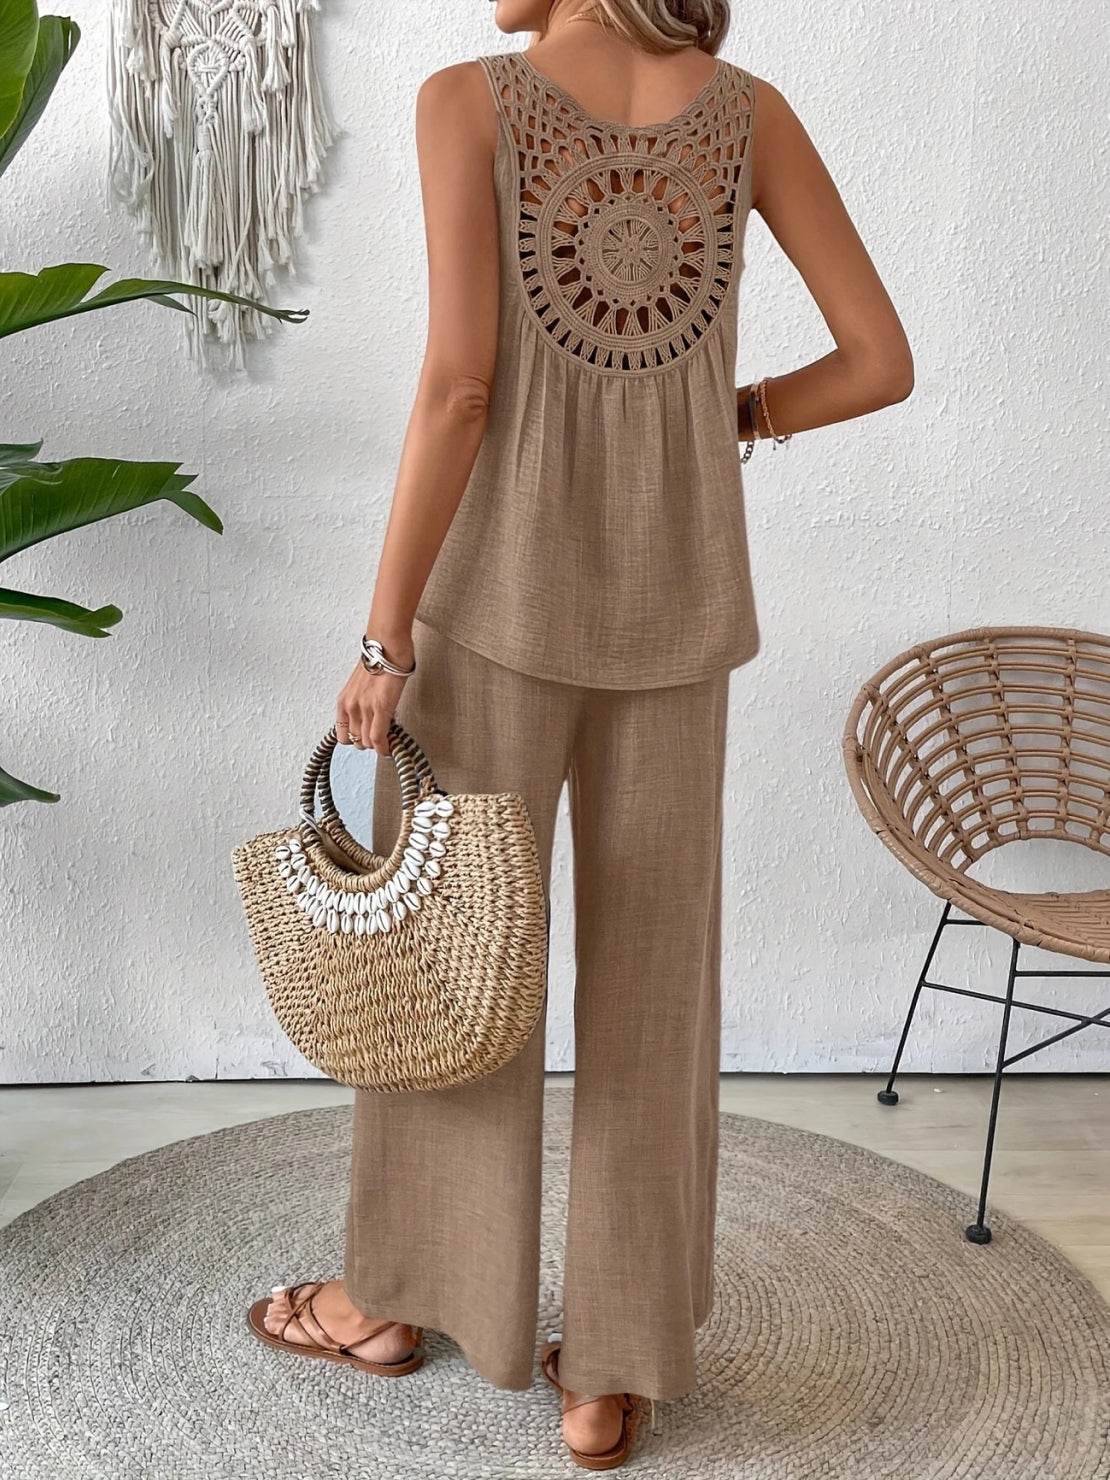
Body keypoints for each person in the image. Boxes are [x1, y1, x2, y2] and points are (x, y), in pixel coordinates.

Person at [249, 0, 913, 1467]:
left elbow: (459, 387)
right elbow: (878, 360)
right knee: (653, 999)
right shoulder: (748, 114)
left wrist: (382, 638)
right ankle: (611, 1373)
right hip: (681, 620)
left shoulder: (467, 100)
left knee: (455, 969)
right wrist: (724, 413)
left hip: (496, 609)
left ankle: (396, 1301)